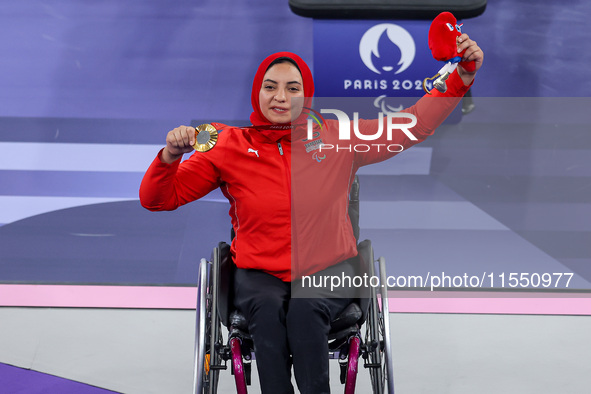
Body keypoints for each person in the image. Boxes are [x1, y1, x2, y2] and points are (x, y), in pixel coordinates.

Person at [140, 33, 483, 393]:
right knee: (269, 314)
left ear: (307, 95)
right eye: (270, 87)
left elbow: (412, 125)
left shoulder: (341, 138)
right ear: (257, 92)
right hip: (259, 273)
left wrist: (462, 77)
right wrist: (169, 157)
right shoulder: (227, 145)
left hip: (328, 269)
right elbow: (158, 198)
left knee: (305, 312)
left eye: (292, 88)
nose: (281, 97)